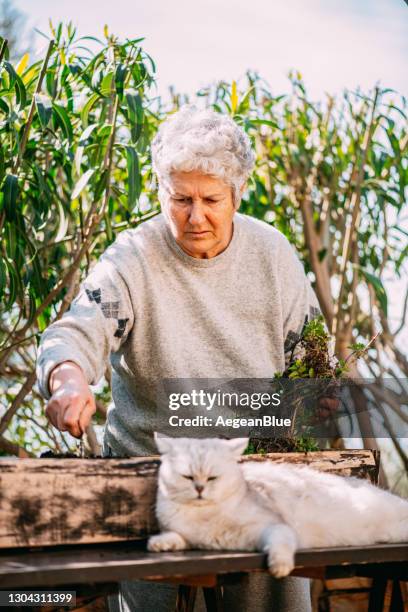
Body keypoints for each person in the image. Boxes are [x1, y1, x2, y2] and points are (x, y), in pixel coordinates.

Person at [37, 105, 321, 612]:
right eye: (180, 199)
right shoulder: (132, 259)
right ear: (160, 192)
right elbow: (75, 332)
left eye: (211, 199)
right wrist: (67, 380)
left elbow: (313, 364)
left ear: (237, 194)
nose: (195, 216)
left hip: (248, 475)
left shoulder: (273, 256)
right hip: (152, 480)